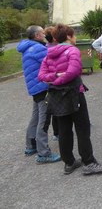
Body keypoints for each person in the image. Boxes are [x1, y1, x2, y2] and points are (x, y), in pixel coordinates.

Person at [38, 24, 102, 174]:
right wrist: (58, 77)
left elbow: (42, 76)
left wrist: (54, 79)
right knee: (82, 128)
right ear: (69, 36)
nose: (75, 38)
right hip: (73, 93)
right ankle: (88, 162)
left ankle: (69, 162)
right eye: (74, 35)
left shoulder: (48, 54)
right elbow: (74, 71)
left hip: (56, 95)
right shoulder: (72, 50)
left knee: (64, 129)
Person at [17, 25, 61, 164]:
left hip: (35, 88)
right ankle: (43, 153)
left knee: (35, 117)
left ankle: (31, 146)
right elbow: (52, 62)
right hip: (42, 87)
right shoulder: (37, 48)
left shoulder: (28, 47)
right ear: (37, 36)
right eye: (42, 33)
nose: (44, 35)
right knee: (44, 120)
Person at [43, 26, 59, 141]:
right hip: (56, 81)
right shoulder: (56, 49)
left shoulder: (45, 48)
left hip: (49, 81)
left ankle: (56, 133)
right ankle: (58, 132)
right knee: (58, 108)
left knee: (53, 107)